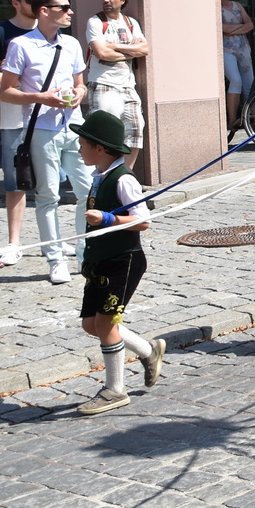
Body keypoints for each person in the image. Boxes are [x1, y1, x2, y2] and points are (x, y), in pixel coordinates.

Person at [70, 111, 164, 416]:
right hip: (99, 260)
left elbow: (143, 222)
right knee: (91, 324)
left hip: (122, 260)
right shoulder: (100, 176)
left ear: (99, 147)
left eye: (82, 143)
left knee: (107, 324)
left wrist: (108, 218)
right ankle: (149, 351)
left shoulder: (123, 178)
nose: (79, 148)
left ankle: (115, 390)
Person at [0, 0, 93, 285]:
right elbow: (5, 92)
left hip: (74, 126)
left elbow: (81, 84)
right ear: (43, 11)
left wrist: (79, 93)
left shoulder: (72, 44)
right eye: (63, 7)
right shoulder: (21, 45)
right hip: (41, 129)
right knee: (48, 195)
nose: (70, 12)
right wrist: (40, 97)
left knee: (86, 191)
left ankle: (83, 252)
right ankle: (55, 258)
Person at [0, 0, 41, 268]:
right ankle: (14, 241)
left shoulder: (52, 32)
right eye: (31, 0)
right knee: (15, 181)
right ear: (16, 3)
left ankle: (49, 239)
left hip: (47, 115)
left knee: (50, 180)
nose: (37, 5)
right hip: (13, 116)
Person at [85, 0, 148, 170]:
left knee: (136, 130)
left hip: (127, 85)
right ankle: (101, 176)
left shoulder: (130, 23)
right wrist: (131, 51)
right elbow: (101, 53)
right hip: (102, 83)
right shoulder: (95, 21)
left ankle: (123, 174)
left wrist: (114, 46)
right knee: (101, 134)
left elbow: (144, 49)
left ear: (122, 0)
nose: (106, 0)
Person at [219, 0, 255, 131]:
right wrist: (240, 28)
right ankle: (233, 120)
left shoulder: (237, 5)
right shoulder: (215, 8)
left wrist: (232, 29)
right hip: (227, 49)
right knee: (235, 80)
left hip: (243, 48)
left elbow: (250, 25)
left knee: (251, 85)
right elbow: (222, 28)